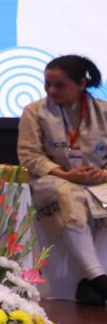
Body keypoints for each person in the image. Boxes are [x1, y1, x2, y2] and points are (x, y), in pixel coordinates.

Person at [17, 54, 107, 308]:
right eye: (47, 83)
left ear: (81, 84)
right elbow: (29, 156)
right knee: (69, 194)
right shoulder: (34, 111)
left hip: (97, 181)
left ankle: (93, 281)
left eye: (59, 85)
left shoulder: (104, 111)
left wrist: (103, 174)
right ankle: (97, 276)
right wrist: (65, 174)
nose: (51, 90)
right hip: (50, 180)